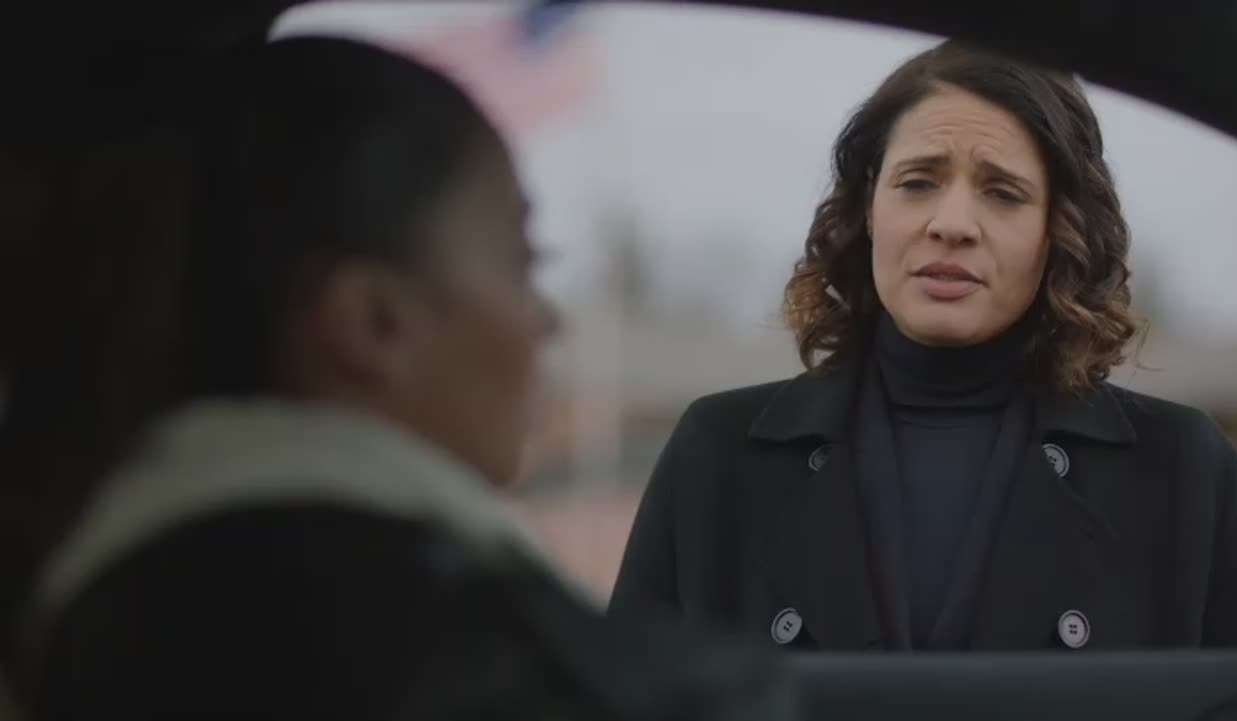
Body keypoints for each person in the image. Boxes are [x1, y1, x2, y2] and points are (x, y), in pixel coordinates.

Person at [0, 37, 794, 720]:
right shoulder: (467, 657)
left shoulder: (98, 616)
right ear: (373, 321)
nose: (544, 322)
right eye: (523, 263)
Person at [609, 39, 1237, 652]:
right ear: (869, 207)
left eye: (1004, 193)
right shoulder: (717, 455)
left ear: (1060, 229)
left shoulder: (1184, 476)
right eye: (918, 182)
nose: (952, 224)